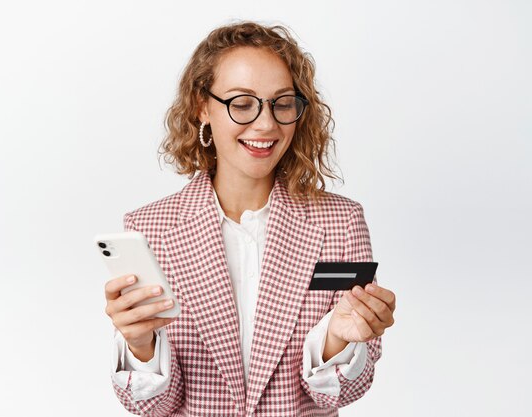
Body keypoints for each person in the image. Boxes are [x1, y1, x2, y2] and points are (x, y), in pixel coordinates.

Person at [103, 20, 396, 417]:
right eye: (242, 103)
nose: (266, 124)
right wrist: (139, 344)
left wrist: (338, 341)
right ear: (201, 107)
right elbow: (153, 406)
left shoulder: (339, 223)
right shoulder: (150, 229)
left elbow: (343, 392)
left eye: (282, 102)